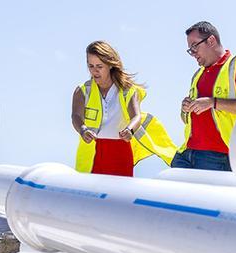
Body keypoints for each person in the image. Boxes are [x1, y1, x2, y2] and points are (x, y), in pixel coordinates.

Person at [72, 41, 176, 177]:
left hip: (120, 152)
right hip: (92, 152)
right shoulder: (83, 90)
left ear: (110, 65)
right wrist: (83, 129)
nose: (94, 71)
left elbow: (136, 116)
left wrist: (129, 130)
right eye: (90, 66)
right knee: (91, 196)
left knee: (119, 195)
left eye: (99, 66)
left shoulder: (127, 90)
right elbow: (76, 116)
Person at [173, 21, 236, 171]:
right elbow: (188, 120)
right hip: (185, 154)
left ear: (211, 40)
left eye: (194, 46)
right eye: (190, 49)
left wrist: (213, 102)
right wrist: (185, 109)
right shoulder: (197, 75)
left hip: (218, 156)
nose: (192, 53)